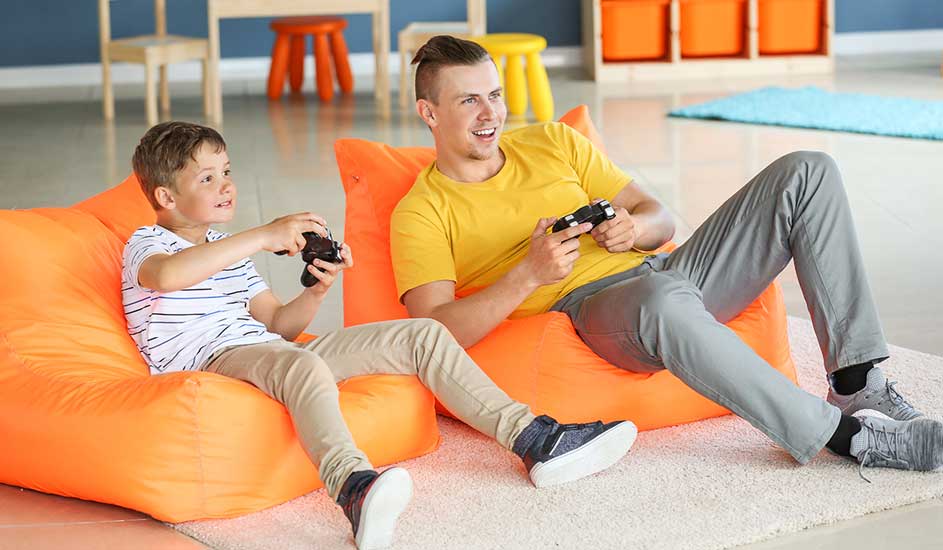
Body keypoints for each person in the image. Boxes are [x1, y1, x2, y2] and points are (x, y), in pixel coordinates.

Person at [391, 35, 943, 482]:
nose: (490, 113)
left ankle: (855, 384)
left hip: (669, 273)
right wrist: (527, 275)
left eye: (494, 94)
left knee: (808, 169)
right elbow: (433, 330)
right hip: (597, 311)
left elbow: (659, 218)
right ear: (429, 112)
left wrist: (633, 229)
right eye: (468, 100)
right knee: (661, 298)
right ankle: (850, 439)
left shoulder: (553, 141)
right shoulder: (421, 211)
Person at [122, 121, 637, 550]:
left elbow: (279, 326)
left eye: (227, 172)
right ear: (167, 196)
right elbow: (167, 277)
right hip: (209, 363)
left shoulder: (225, 250)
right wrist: (262, 235)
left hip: (265, 351)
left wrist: (316, 291)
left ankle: (536, 440)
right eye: (208, 178)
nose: (227, 185)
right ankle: (353, 487)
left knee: (423, 336)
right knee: (300, 364)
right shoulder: (147, 244)